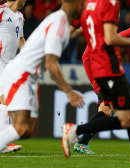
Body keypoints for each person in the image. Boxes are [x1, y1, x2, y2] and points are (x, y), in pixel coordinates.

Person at [62, 0, 130, 168]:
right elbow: (89, 55)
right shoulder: (107, 11)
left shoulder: (93, 13)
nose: (116, 16)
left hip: (115, 76)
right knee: (121, 116)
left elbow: (109, 35)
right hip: (107, 77)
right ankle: (76, 132)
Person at [0, 0, 85, 153]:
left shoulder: (58, 22)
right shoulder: (57, 21)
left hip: (25, 73)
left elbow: (67, 33)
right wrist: (69, 92)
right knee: (13, 115)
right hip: (19, 73)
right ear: (78, 5)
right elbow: (51, 64)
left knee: (25, 130)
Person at [0, 0, 26, 153]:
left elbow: (21, 41)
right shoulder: (1, 10)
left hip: (10, 65)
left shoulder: (20, 17)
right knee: (5, 99)